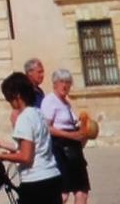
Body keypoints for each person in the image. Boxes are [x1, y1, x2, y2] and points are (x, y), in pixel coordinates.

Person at [0, 72, 62, 204]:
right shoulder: (38, 114)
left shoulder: (24, 118)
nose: (9, 103)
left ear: (17, 96)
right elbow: (29, 145)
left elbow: (26, 156)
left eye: (9, 99)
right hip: (51, 177)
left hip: (36, 182)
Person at [41, 69, 91, 204]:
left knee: (82, 191)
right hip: (60, 149)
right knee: (63, 193)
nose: (65, 85)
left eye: (68, 82)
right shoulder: (50, 101)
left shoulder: (67, 104)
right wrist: (70, 135)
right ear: (54, 84)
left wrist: (84, 130)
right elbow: (46, 128)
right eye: (61, 82)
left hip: (74, 151)